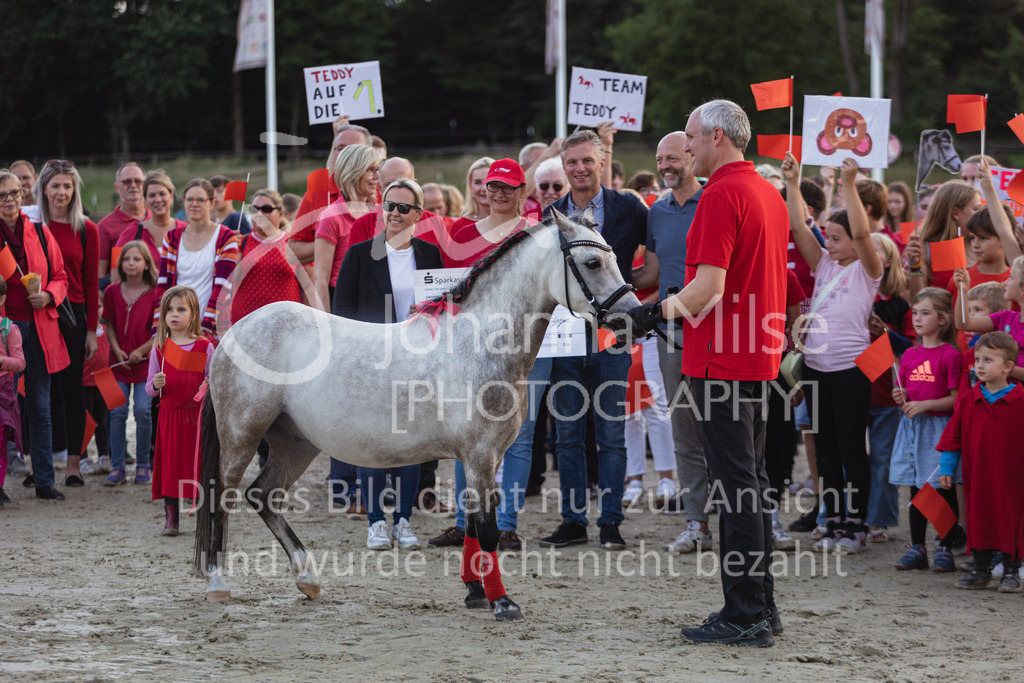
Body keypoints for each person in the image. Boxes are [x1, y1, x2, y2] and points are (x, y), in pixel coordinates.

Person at [620, 100, 787, 646]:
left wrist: (652, 313)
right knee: (751, 483)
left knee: (735, 487)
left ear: (717, 136)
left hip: (721, 357)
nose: (686, 147)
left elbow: (707, 289)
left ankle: (745, 613)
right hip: (754, 355)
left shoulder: (720, 194)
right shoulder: (768, 192)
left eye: (690, 137)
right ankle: (761, 606)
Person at [430, 159, 549, 551]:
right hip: (473, 352)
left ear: (521, 191)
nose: (498, 194)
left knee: (520, 435)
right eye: (493, 186)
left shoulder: (536, 233)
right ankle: (466, 522)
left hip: (528, 347)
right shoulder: (463, 232)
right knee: (467, 433)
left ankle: (507, 523)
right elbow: (452, 289)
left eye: (507, 188)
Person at [537, 129, 648, 553]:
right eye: (572, 162)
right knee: (567, 434)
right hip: (564, 336)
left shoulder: (629, 208)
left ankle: (611, 521)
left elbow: (653, 257)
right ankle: (573, 520)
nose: (580, 168)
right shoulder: (551, 216)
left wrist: (630, 297)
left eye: (587, 160)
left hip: (611, 335)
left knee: (611, 433)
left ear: (602, 162)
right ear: (563, 167)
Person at [334, 179, 443, 551]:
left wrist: (426, 310)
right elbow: (342, 311)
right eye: (389, 205)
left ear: (418, 214)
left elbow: (445, 307)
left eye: (403, 207)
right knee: (372, 441)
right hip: (372, 359)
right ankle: (376, 522)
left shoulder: (430, 254)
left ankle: (404, 520)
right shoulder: (360, 254)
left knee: (411, 441)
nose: (394, 213)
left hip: (416, 358)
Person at [788, 157, 883, 555]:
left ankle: (856, 525)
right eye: (827, 236)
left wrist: (849, 183)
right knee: (825, 449)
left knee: (850, 448)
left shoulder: (868, 269)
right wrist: (792, 182)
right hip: (816, 368)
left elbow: (862, 232)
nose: (828, 243)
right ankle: (833, 520)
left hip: (850, 370)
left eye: (836, 238)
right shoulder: (824, 264)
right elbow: (798, 226)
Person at [630, 131, 711, 553]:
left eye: (673, 158)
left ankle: (752, 518)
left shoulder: (715, 201)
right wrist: (605, 281)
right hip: (672, 333)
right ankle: (697, 523)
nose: (665, 166)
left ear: (692, 157)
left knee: (729, 426)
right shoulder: (657, 211)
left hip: (717, 330)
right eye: (660, 159)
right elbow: (651, 274)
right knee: (684, 428)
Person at [0, 170, 70, 500]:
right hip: (4, 331)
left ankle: (44, 481)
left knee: (40, 408)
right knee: (3, 408)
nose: (10, 200)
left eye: (15, 193)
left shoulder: (40, 231)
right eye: (2, 195)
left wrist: (49, 295)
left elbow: (61, 276)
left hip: (40, 327)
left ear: (23, 195)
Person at [938, 331, 1024, 592]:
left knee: (1011, 521)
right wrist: (946, 467)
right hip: (977, 477)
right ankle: (980, 570)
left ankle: (1011, 572)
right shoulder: (969, 399)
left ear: (1008, 366)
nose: (980, 365)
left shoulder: (1021, 400)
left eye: (988, 360)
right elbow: (953, 436)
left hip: (1013, 479)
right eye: (977, 360)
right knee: (979, 519)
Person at [35, 160, 100, 487]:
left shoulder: (86, 229)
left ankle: (74, 463)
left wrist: (91, 331)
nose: (62, 192)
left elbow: (91, 283)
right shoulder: (31, 225)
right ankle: (39, 464)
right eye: (56, 186)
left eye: (67, 186)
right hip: (37, 311)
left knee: (72, 391)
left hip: (73, 314)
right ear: (44, 189)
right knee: (37, 392)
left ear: (75, 190)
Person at [890, 288, 963, 571]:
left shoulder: (951, 355)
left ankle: (945, 547)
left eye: (925, 313)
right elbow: (907, 390)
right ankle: (917, 547)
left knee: (941, 486)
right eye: (915, 313)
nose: (917, 319)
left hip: (939, 430)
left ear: (942, 319)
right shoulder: (909, 354)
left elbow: (955, 400)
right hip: (912, 429)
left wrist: (925, 405)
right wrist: (902, 395)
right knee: (916, 486)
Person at [146, 286, 213, 536]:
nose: (174, 314)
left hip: (197, 418)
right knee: (170, 467)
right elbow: (149, 388)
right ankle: (171, 518)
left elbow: (213, 380)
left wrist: (208, 385)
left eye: (181, 309)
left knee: (200, 466)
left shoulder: (205, 347)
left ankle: (204, 517)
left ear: (193, 314)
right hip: (169, 418)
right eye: (170, 310)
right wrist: (155, 384)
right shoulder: (160, 348)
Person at [864, 233, 913, 543]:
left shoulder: (899, 305)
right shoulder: (850, 294)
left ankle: (878, 520)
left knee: (882, 459)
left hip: (887, 394)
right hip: (852, 390)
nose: (866, 252)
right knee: (850, 458)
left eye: (874, 249)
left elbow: (913, 348)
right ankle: (849, 516)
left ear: (889, 259)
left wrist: (886, 333)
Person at [153, 179, 239, 339]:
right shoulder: (171, 238)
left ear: (211, 203)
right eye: (189, 199)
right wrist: (159, 329)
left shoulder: (226, 237)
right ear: (184, 202)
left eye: (200, 200)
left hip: (211, 330)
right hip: (176, 328)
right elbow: (163, 286)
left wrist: (205, 329)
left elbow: (223, 288)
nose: (194, 204)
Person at [103, 241, 157, 485]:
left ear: (146, 264)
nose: (131, 263)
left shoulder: (156, 293)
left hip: (146, 365)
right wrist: (116, 350)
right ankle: (117, 467)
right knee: (116, 412)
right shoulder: (111, 291)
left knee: (143, 411)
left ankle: (143, 465)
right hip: (116, 364)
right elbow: (109, 325)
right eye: (126, 259)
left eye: (136, 259)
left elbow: (160, 333)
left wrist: (140, 351)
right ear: (120, 264)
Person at [290, 124, 373, 265]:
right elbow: (293, 252)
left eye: (354, 148)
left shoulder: (382, 191)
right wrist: (327, 240)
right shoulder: (318, 193)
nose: (346, 153)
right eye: (340, 148)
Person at [313, 144, 380, 312]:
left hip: (376, 301)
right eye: (370, 170)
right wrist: (326, 321)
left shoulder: (382, 213)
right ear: (353, 172)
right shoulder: (331, 216)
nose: (377, 176)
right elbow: (321, 278)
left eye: (377, 169)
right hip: (343, 303)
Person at [947, 203, 1020, 349]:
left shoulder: (1015, 282)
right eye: (972, 238)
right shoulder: (961, 278)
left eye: (983, 238)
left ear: (1004, 238)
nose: (975, 244)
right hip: (965, 358)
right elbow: (955, 324)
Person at [230, 189, 302, 324]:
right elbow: (231, 281)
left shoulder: (294, 243)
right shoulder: (241, 242)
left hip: (286, 324)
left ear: (280, 213)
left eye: (266, 209)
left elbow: (308, 287)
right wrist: (231, 250)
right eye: (254, 209)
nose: (260, 214)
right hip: (246, 323)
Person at [953, 256, 1024, 383]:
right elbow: (963, 323)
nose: (1005, 282)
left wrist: (1002, 366)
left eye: (1011, 277)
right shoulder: (1005, 317)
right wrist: (962, 289)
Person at [905, 182, 982, 295]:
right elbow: (917, 299)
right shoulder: (925, 247)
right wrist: (914, 266)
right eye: (976, 209)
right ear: (955, 213)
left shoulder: (983, 242)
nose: (981, 214)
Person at [114, 170, 186, 278]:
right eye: (152, 195)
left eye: (162, 194)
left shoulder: (186, 230)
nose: (158, 200)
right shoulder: (131, 231)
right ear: (146, 200)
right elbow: (115, 271)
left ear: (171, 196)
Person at [98, 163, 150, 284]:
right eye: (127, 182)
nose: (133, 186)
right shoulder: (104, 227)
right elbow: (99, 274)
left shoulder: (157, 220)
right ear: (117, 187)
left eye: (138, 181)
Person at [0, 278, 25, 509]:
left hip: (3, 391)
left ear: (2, 299)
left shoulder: (8, 328)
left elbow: (20, 362)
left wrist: (2, 361)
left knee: (1, 442)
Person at [452, 157, 495, 233]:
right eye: (478, 182)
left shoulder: (512, 222)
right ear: (470, 185)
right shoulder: (459, 227)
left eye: (490, 182)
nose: (484, 188)